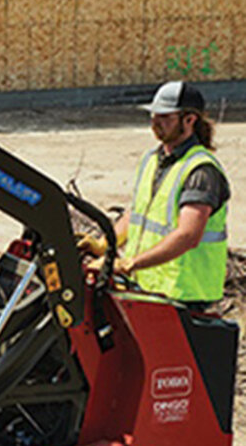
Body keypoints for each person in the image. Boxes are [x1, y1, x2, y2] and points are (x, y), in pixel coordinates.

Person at [80, 80, 230, 310]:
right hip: (147, 287)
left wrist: (130, 263)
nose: (155, 124)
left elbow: (188, 235)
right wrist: (105, 245)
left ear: (189, 120)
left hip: (184, 295)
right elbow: (139, 212)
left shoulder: (201, 171)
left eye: (164, 117)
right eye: (153, 116)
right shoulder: (152, 159)